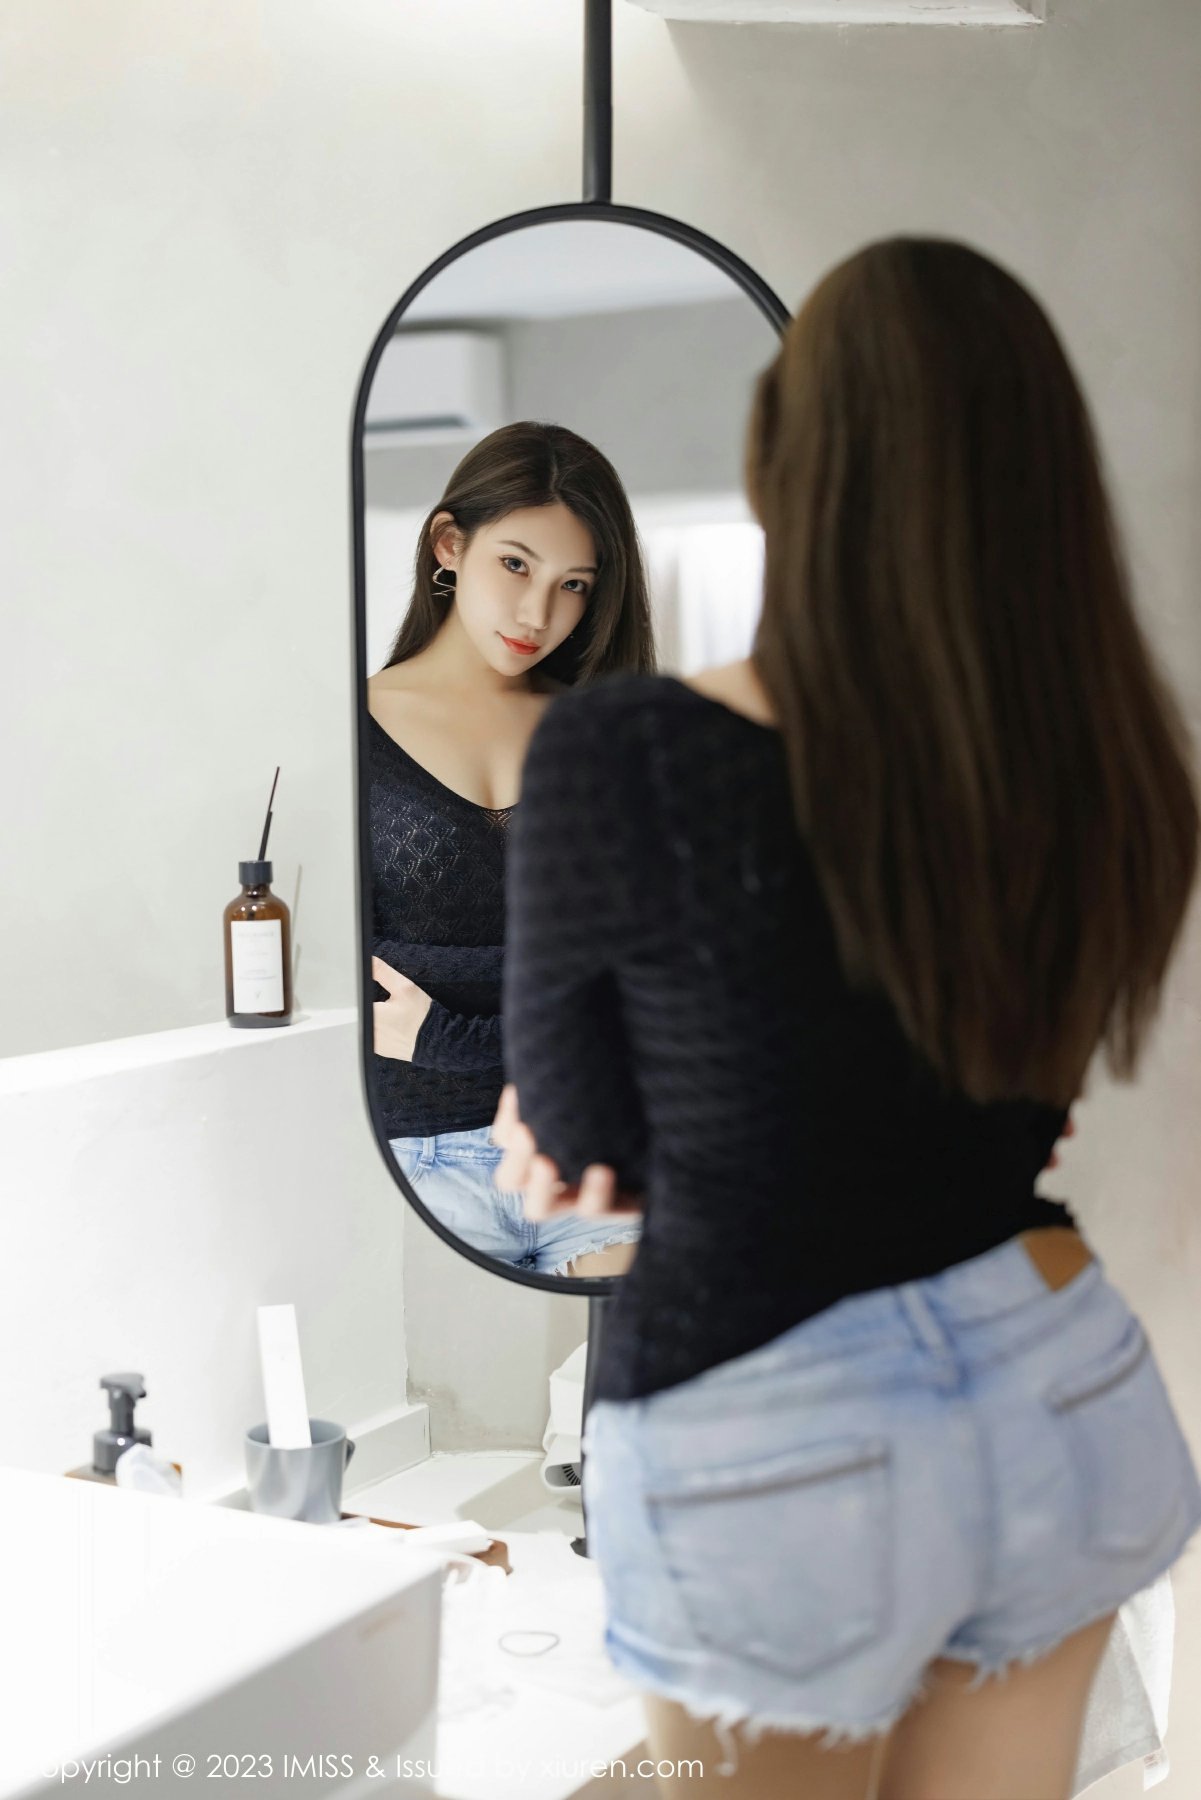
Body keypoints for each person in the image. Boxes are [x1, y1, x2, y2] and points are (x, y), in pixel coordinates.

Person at [492, 240, 1201, 1796]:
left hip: (773, 1425)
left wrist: (579, 1107)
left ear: (781, 463)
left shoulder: (627, 750)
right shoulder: (1097, 767)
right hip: (1058, 1380)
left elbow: (592, 1147)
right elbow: (1011, 1099)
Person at [367, 420, 652, 1278]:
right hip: (414, 1163)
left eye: (574, 585)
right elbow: (358, 981)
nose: (538, 614)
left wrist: (446, 1030)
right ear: (449, 545)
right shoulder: (346, 727)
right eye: (516, 565)